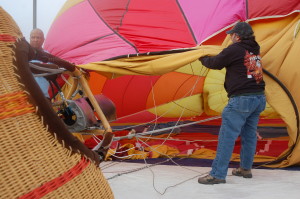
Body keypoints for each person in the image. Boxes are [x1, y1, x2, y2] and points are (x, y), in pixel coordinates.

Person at [197, 22, 266, 184]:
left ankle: (217, 175)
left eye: (231, 35)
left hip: (241, 100)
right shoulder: (255, 49)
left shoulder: (234, 49)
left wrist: (200, 56)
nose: (230, 37)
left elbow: (214, 63)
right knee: (249, 136)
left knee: (226, 137)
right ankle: (245, 169)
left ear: (237, 36)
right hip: (258, 98)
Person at [29, 28, 50, 98]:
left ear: (43, 40)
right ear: (29, 38)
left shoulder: (48, 56)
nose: (35, 40)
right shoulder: (24, 54)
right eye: (33, 37)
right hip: (27, 95)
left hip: (43, 96)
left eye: (38, 37)